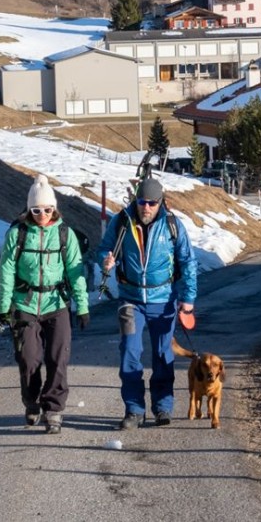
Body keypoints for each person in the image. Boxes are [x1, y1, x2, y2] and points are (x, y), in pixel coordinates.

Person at [96, 176, 197, 429]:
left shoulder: (173, 225)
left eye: (152, 202)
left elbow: (187, 262)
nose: (147, 207)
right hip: (130, 300)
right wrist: (106, 260)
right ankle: (134, 410)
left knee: (163, 354)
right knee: (130, 351)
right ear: (136, 200)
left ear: (160, 202)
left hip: (163, 301)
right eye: (142, 201)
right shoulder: (121, 221)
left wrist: (188, 299)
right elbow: (104, 249)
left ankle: (163, 407)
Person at [0, 175, 88, 434]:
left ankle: (54, 409)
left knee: (58, 358)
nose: (42, 215)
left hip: (56, 303)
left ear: (54, 208)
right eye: (36, 210)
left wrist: (82, 307)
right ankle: (31, 401)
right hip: (24, 304)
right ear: (29, 209)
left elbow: (75, 271)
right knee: (28, 359)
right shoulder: (17, 234)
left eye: (47, 209)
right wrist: (4, 308)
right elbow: (6, 271)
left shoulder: (64, 234)